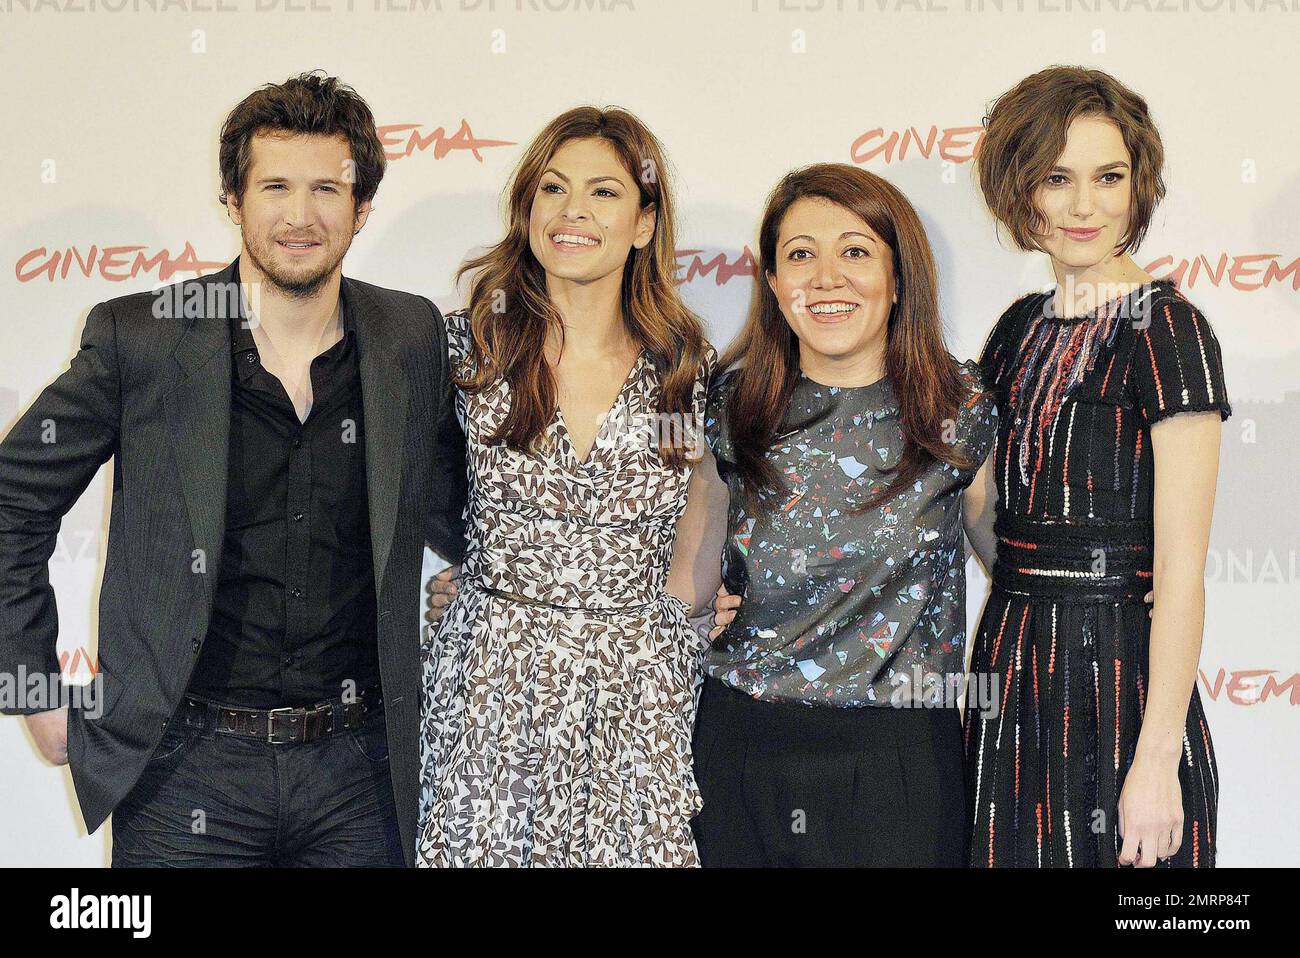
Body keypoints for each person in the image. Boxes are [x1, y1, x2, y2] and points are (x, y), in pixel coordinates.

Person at [0, 72, 468, 866]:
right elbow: (12, 499)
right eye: (275, 185)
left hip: (359, 773)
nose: (300, 214)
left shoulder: (409, 336)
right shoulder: (142, 338)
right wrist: (29, 686)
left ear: (361, 208)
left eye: (327, 188)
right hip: (185, 769)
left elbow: (470, 503)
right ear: (233, 200)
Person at [416, 106, 725, 867]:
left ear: (645, 224)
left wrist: (694, 607)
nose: (573, 211)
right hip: (489, 687)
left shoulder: (685, 367)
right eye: (552, 189)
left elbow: (708, 503)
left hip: (637, 695)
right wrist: (471, 575)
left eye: (604, 192)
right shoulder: (466, 349)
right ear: (526, 211)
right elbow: (410, 488)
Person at [690, 163, 998, 867]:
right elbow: (672, 575)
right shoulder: (728, 410)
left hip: (898, 767)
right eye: (800, 254)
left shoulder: (961, 411)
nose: (826, 277)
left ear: (899, 277)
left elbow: (1021, 575)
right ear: (772, 281)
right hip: (739, 752)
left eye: (855, 251)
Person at [964, 66, 1230, 868]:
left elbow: (1183, 572)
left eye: (1108, 177)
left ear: (1137, 186)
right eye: (1057, 178)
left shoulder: (1171, 333)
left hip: (1121, 680)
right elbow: (993, 524)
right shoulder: (1015, 329)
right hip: (1012, 668)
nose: (1084, 206)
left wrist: (1154, 765)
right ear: (1019, 189)